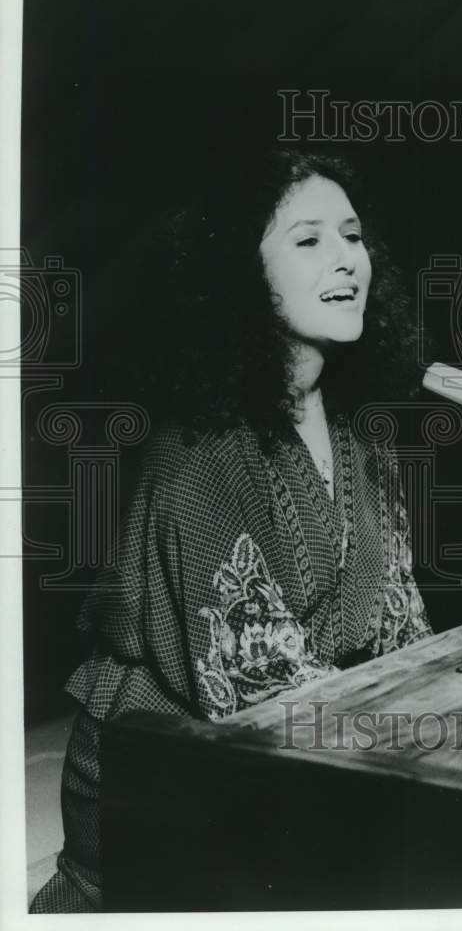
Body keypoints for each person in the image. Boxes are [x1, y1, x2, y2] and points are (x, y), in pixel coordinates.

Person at [30, 149, 433, 913]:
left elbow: (402, 630)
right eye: (308, 241)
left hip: (301, 760)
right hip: (163, 793)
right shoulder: (196, 457)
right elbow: (257, 691)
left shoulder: (362, 435)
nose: (347, 260)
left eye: (352, 236)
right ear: (238, 275)